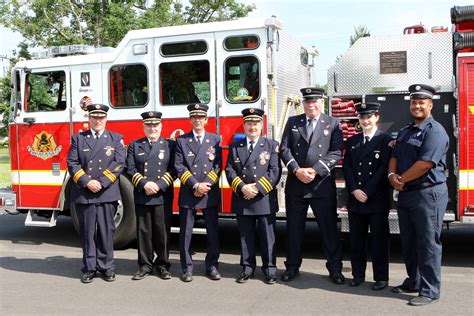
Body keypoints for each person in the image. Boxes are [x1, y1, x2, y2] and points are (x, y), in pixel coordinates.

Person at [388, 84, 449, 306]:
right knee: (409, 242)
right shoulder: (405, 131)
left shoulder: (435, 132)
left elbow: (425, 164)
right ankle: (413, 281)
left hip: (427, 194)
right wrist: (392, 176)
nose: (417, 106)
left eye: (422, 102)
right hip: (407, 194)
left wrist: (400, 180)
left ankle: (430, 290)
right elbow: (394, 155)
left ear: (430, 105)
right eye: (414, 102)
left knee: (427, 243)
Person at [280, 87, 345, 284]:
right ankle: (292, 267)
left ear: (322, 102)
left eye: (315, 101)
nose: (311, 104)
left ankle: (335, 270)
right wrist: (296, 170)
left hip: (321, 185)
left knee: (328, 230)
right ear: (304, 103)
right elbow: (284, 148)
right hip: (296, 184)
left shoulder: (332, 123)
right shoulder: (293, 122)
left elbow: (336, 152)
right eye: (308, 101)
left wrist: (316, 170)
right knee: (294, 229)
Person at [66, 104, 126, 283]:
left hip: (107, 192)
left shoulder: (116, 139)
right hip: (85, 193)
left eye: (101, 117)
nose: (98, 120)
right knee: (87, 232)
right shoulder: (78, 138)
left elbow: (118, 164)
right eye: (94, 117)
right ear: (89, 119)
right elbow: (72, 163)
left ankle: (107, 267)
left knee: (107, 232)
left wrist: (101, 182)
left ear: (106, 119)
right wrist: (87, 181)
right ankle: (89, 268)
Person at [225, 108, 282, 284]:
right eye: (249, 123)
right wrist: (242, 187)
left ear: (261, 125)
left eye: (255, 123)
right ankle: (247, 268)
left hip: (263, 198)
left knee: (267, 236)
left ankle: (270, 269)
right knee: (245, 236)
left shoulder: (271, 145)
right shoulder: (235, 146)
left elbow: (275, 171)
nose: (252, 127)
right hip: (243, 198)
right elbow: (229, 170)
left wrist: (256, 188)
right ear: (244, 125)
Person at [342, 102, 392, 290]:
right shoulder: (353, 141)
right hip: (356, 199)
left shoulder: (385, 140)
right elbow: (347, 167)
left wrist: (367, 191)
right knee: (356, 240)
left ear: (376, 117)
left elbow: (383, 168)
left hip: (376, 199)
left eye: (368, 117)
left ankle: (381, 277)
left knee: (379, 240)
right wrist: (354, 190)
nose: (365, 120)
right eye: (362, 117)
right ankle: (357, 275)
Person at [125, 111, 176, 281]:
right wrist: (144, 184)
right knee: (144, 231)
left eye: (155, 125)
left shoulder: (170, 145)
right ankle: (145, 265)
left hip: (162, 195)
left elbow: (174, 170)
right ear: (143, 127)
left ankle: (162, 264)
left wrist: (159, 185)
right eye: (149, 125)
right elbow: (130, 169)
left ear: (161, 126)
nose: (152, 128)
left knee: (162, 231)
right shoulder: (134, 145)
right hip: (143, 194)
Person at [175, 103, 222, 282]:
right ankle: (186, 268)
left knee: (212, 232)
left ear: (206, 120)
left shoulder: (215, 140)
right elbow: (179, 166)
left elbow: (217, 166)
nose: (197, 120)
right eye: (194, 117)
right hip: (189, 191)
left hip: (209, 192)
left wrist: (205, 186)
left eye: (201, 117)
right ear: (190, 120)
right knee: (185, 233)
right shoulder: (182, 141)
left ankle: (212, 266)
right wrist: (195, 185)